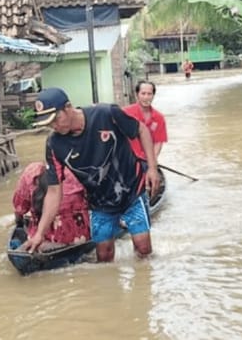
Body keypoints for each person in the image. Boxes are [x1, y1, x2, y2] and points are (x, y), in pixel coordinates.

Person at [24, 88, 161, 262]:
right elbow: (53, 191)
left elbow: (141, 130)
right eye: (49, 124)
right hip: (100, 202)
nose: (55, 127)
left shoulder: (106, 114)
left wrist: (152, 168)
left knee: (143, 248)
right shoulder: (54, 144)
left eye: (56, 119)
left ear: (68, 107)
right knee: (104, 255)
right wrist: (39, 234)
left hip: (132, 189)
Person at [12, 161, 90, 249]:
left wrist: (19, 224)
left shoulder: (31, 172)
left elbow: (19, 207)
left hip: (40, 240)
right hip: (80, 238)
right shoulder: (78, 168)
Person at [123, 80, 168, 160]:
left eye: (149, 94)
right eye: (143, 93)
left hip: (146, 160)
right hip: (127, 160)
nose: (146, 97)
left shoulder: (159, 118)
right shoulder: (125, 113)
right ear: (137, 95)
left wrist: (151, 161)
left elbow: (158, 142)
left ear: (153, 95)